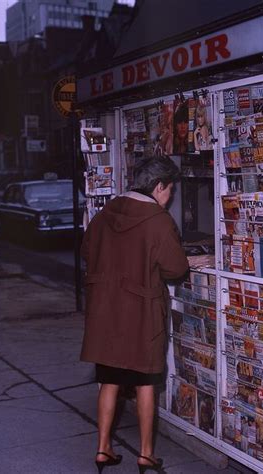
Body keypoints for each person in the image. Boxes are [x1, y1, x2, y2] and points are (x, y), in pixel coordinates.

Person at [80, 156, 189, 473]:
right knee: (145, 383)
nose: (169, 198)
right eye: (170, 191)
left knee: (109, 380)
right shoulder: (158, 220)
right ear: (159, 187)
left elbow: (88, 251)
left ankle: (103, 449)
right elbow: (176, 268)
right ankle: (145, 454)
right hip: (141, 314)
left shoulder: (106, 213)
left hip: (105, 311)